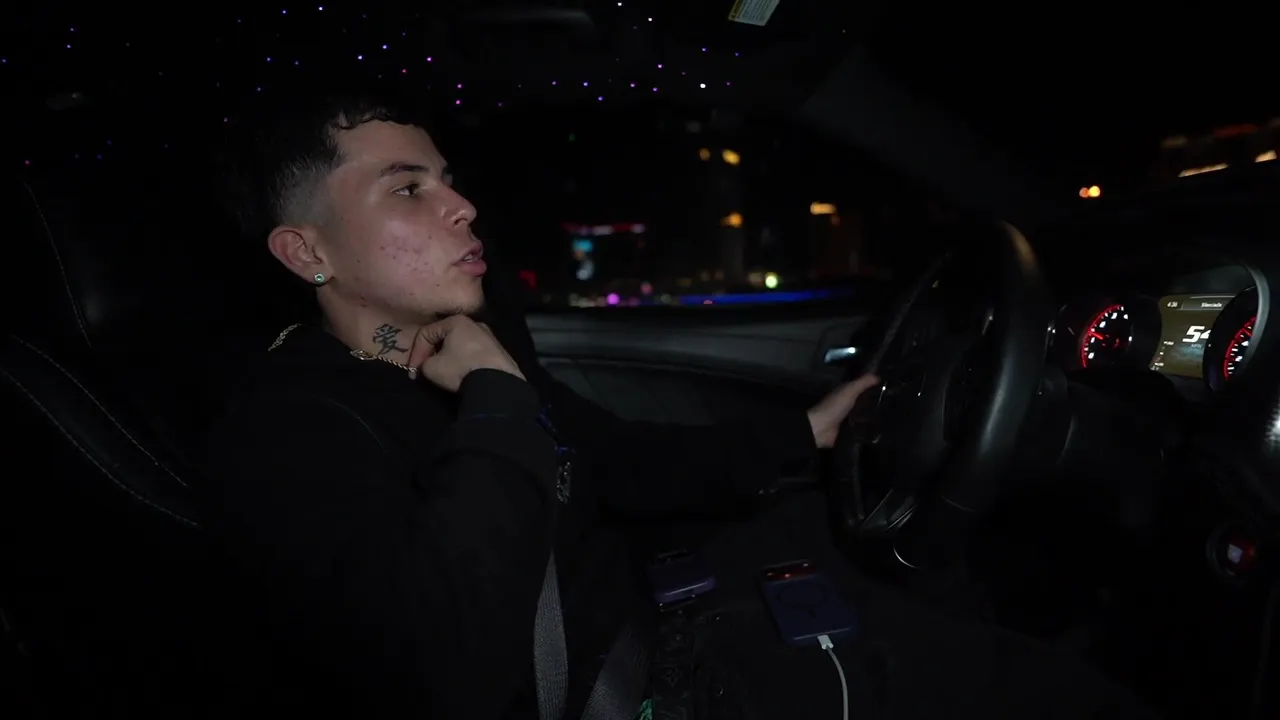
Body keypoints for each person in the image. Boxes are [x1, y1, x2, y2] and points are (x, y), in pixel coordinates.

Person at [203, 93, 879, 718]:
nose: (462, 206)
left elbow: (617, 459)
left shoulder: (478, 345)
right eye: (409, 189)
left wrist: (805, 431)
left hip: (661, 637)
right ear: (307, 252)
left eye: (447, 180)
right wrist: (495, 398)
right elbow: (442, 662)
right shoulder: (284, 431)